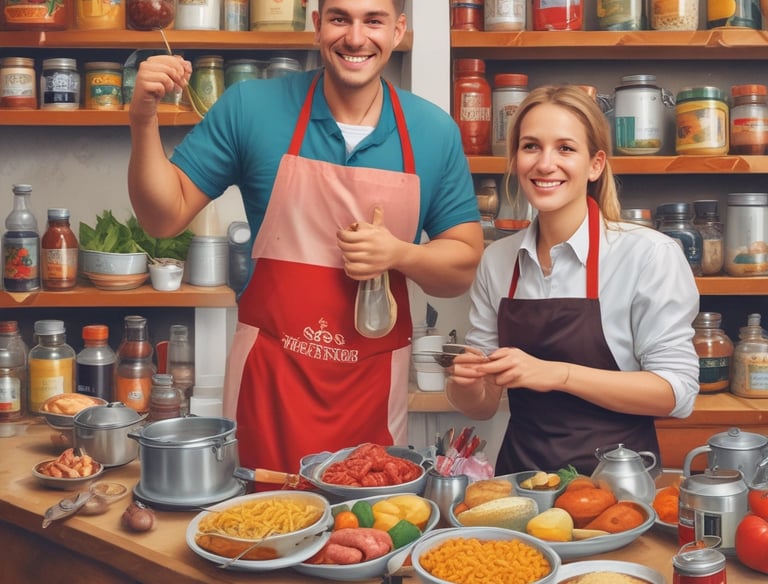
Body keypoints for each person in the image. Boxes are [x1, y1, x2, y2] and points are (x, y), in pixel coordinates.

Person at [127, 0, 484, 474]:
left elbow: (460, 267)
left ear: (398, 31)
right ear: (317, 26)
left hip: (372, 387)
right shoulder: (251, 108)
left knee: (369, 514)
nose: (355, 37)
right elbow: (163, 217)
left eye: (373, 21)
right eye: (339, 18)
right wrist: (143, 119)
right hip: (271, 384)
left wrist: (399, 254)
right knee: (264, 512)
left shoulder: (433, 132)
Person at [446, 85, 699, 475]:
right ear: (515, 159)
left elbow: (676, 394)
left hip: (616, 487)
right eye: (531, 146)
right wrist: (465, 384)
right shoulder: (497, 261)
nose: (545, 164)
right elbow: (483, 406)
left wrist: (558, 374)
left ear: (595, 165)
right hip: (520, 483)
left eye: (565, 148)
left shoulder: (648, 254)